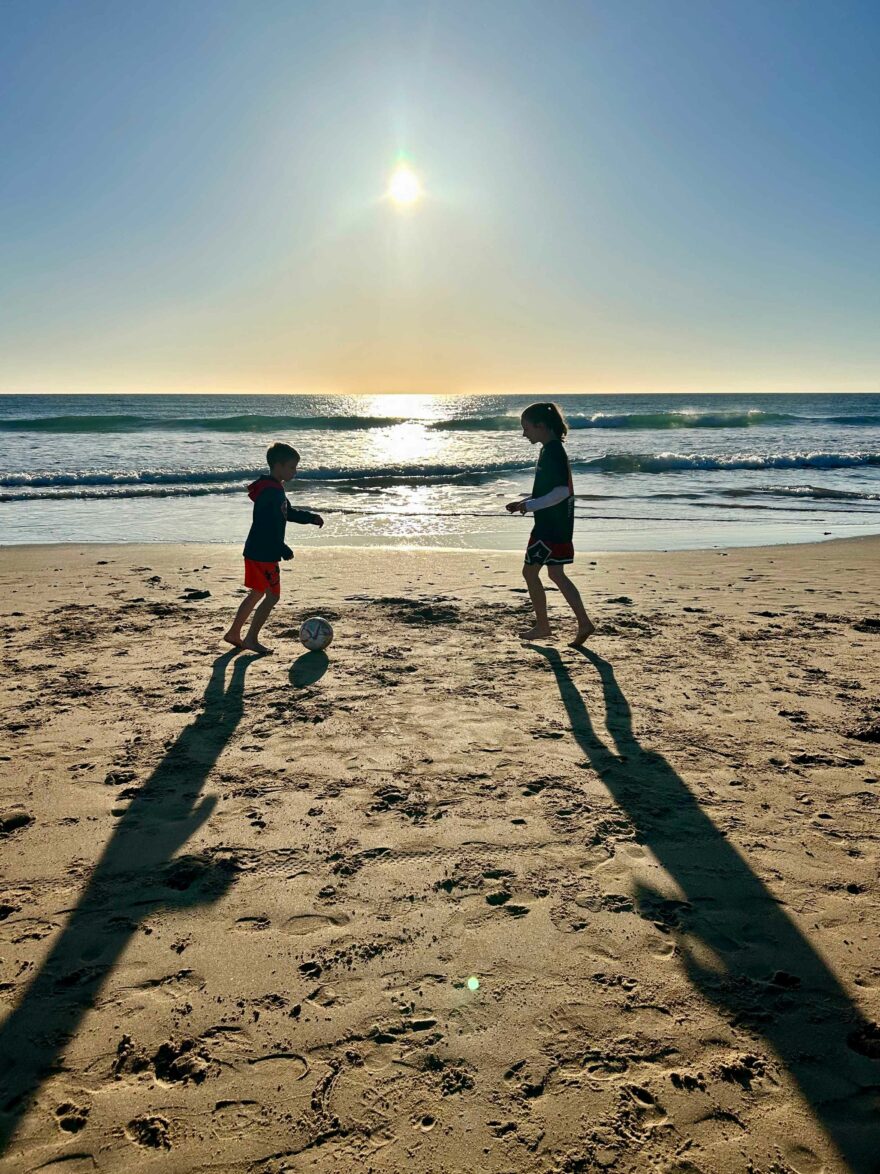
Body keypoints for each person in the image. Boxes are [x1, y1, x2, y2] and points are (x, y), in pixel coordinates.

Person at [506, 402, 595, 646]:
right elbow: (550, 490)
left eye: (526, 428)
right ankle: (583, 622)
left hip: (549, 527)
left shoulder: (553, 451)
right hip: (560, 524)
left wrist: (530, 506)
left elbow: (562, 491)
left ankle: (544, 626)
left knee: (530, 572)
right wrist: (524, 502)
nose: (524, 434)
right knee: (556, 573)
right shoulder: (551, 449)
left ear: (541, 426)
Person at [223, 442, 323, 655]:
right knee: (272, 596)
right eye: (292, 467)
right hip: (265, 553)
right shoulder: (271, 492)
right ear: (278, 466)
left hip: (255, 550)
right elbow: (267, 525)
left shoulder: (273, 488)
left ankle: (234, 633)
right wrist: (282, 548)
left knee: (257, 593)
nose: (295, 471)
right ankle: (250, 638)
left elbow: (289, 512)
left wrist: (311, 518)